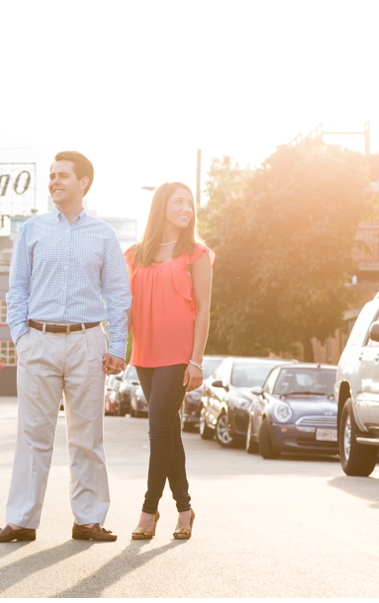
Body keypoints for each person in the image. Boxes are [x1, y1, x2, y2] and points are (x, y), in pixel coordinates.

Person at [0, 151, 131, 543]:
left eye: (63, 175)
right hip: (38, 341)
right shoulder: (32, 230)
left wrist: (117, 344)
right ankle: (21, 521)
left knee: (87, 437)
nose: (54, 182)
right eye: (51, 176)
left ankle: (88, 520)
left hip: (87, 342)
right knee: (32, 436)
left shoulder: (103, 234)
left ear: (84, 182)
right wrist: (21, 336)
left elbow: (118, 294)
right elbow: (17, 289)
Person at [125, 182, 213, 541]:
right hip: (145, 353)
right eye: (179, 201)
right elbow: (125, 307)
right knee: (170, 431)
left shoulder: (197, 253)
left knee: (159, 429)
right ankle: (185, 508)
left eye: (190, 203)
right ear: (161, 205)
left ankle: (148, 511)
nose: (186, 208)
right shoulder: (134, 254)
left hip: (178, 354)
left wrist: (196, 360)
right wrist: (116, 346)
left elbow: (205, 310)